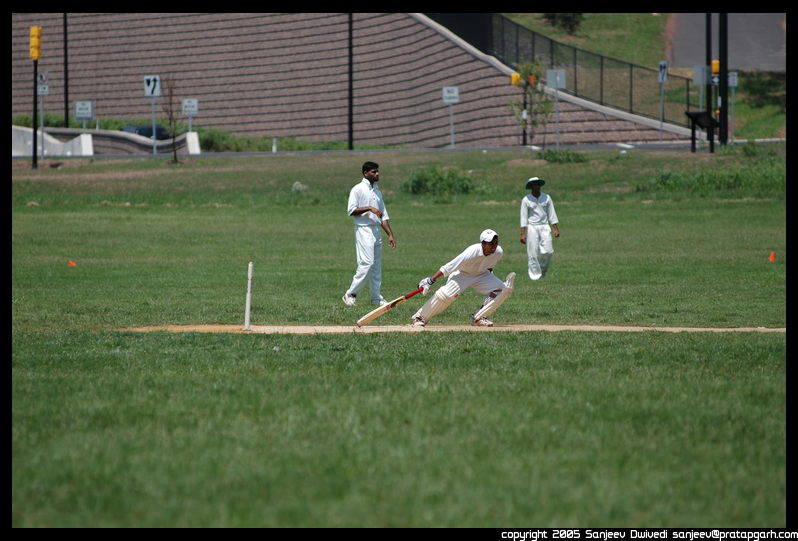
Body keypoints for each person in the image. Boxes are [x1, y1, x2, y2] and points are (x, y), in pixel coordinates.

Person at [411, 229, 515, 327]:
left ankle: (479, 318)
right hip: (462, 274)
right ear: (483, 244)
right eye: (491, 243)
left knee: (503, 290)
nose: (494, 246)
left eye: (496, 243)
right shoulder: (472, 251)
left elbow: (489, 266)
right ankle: (419, 317)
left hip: (482, 274)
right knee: (445, 295)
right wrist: (431, 280)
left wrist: (489, 278)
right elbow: (449, 266)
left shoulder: (498, 252)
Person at [343, 161, 396, 306]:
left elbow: (383, 216)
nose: (377, 174)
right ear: (365, 173)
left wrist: (390, 235)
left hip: (376, 231)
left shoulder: (377, 192)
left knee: (376, 266)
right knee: (366, 263)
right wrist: (369, 208)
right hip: (363, 229)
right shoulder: (357, 189)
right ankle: (350, 294)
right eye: (373, 172)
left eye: (377, 171)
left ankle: (376, 298)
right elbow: (351, 210)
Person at [520, 177, 559, 280]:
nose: (536, 186)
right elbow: (523, 217)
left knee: (548, 251)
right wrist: (522, 234)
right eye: (534, 185)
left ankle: (542, 271)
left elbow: (552, 214)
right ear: (531, 187)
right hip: (532, 227)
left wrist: (555, 229)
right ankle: (534, 275)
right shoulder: (526, 200)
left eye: (538, 184)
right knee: (532, 253)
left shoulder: (547, 198)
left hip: (544, 226)